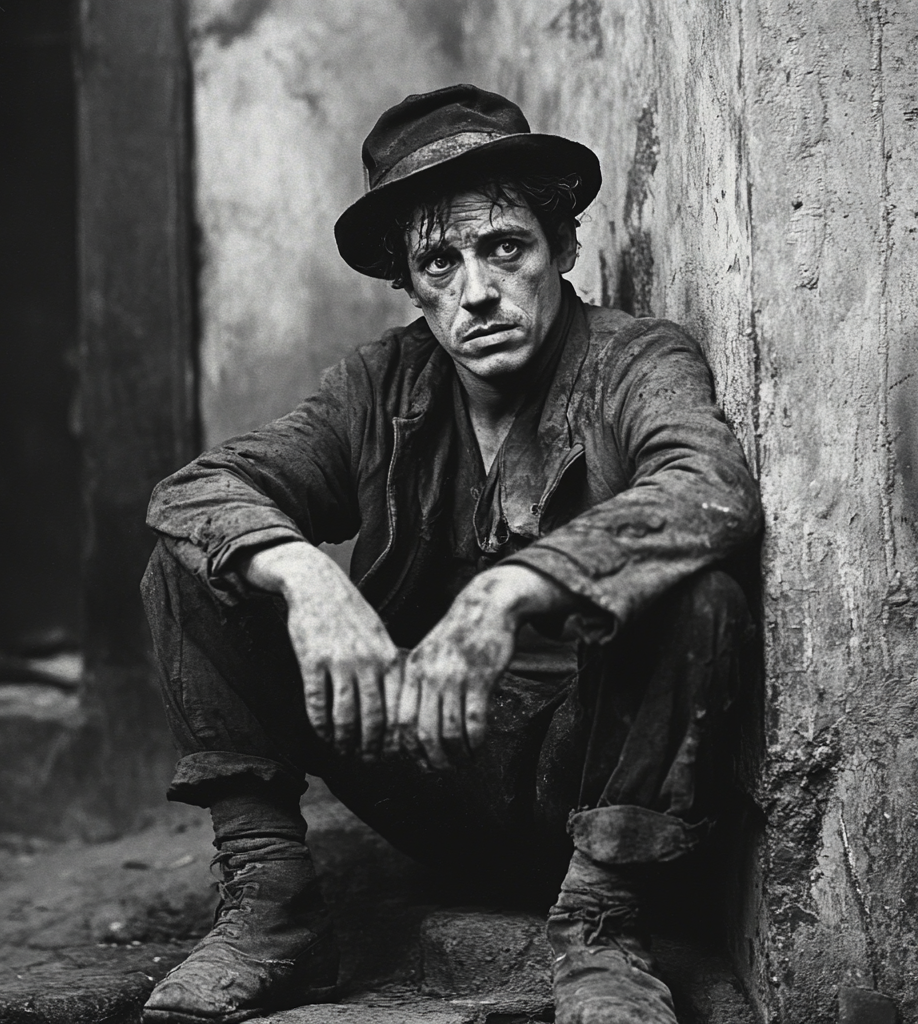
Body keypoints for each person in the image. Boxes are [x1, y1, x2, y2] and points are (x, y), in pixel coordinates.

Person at [139, 84, 761, 1024]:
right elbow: (194, 488)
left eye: (505, 247)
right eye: (440, 261)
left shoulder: (635, 361)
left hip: (584, 784)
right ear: (411, 286)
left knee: (703, 597)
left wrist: (511, 588)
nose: (477, 291)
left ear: (561, 247)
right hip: (419, 759)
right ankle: (272, 910)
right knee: (194, 562)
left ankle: (604, 934)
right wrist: (304, 573)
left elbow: (707, 487)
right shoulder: (377, 384)